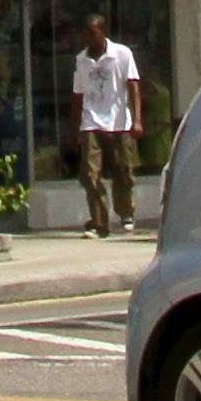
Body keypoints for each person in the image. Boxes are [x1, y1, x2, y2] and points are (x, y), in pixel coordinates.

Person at [67, 14, 143, 236]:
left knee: (124, 170)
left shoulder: (121, 54)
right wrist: (74, 129)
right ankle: (100, 222)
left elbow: (133, 86)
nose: (89, 37)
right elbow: (77, 95)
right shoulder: (81, 60)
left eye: (94, 32)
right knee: (90, 174)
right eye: (86, 33)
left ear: (104, 31)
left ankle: (126, 212)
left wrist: (137, 120)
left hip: (119, 120)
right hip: (91, 121)